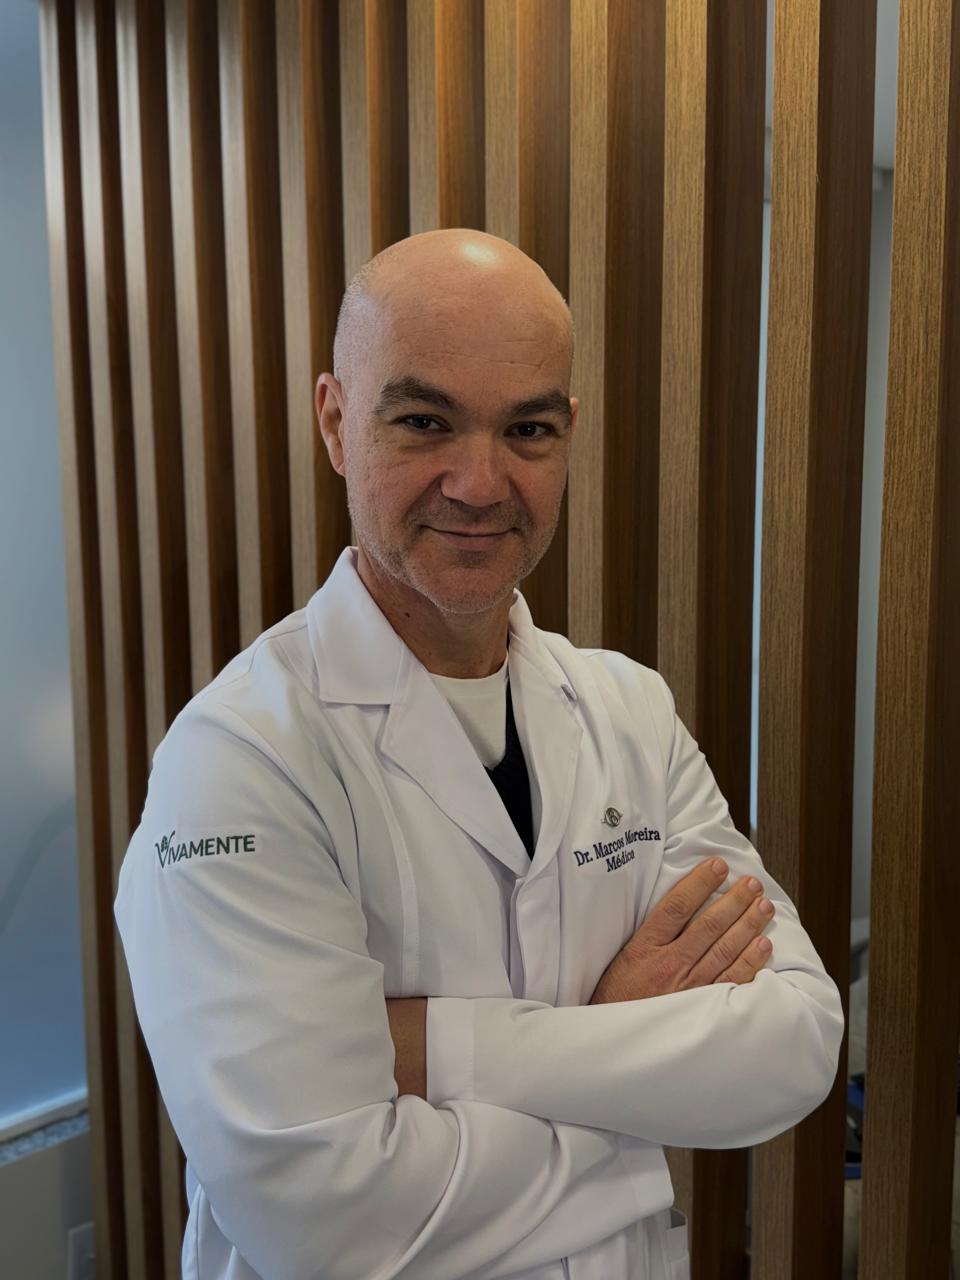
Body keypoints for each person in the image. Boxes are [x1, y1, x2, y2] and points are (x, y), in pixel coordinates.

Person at [114, 229, 843, 1280]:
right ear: (335, 421)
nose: (479, 481)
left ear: (568, 435)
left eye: (527, 429)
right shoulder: (240, 760)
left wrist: (444, 1048)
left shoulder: (629, 711)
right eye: (425, 421)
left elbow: (796, 1040)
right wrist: (630, 1103)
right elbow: (323, 1223)